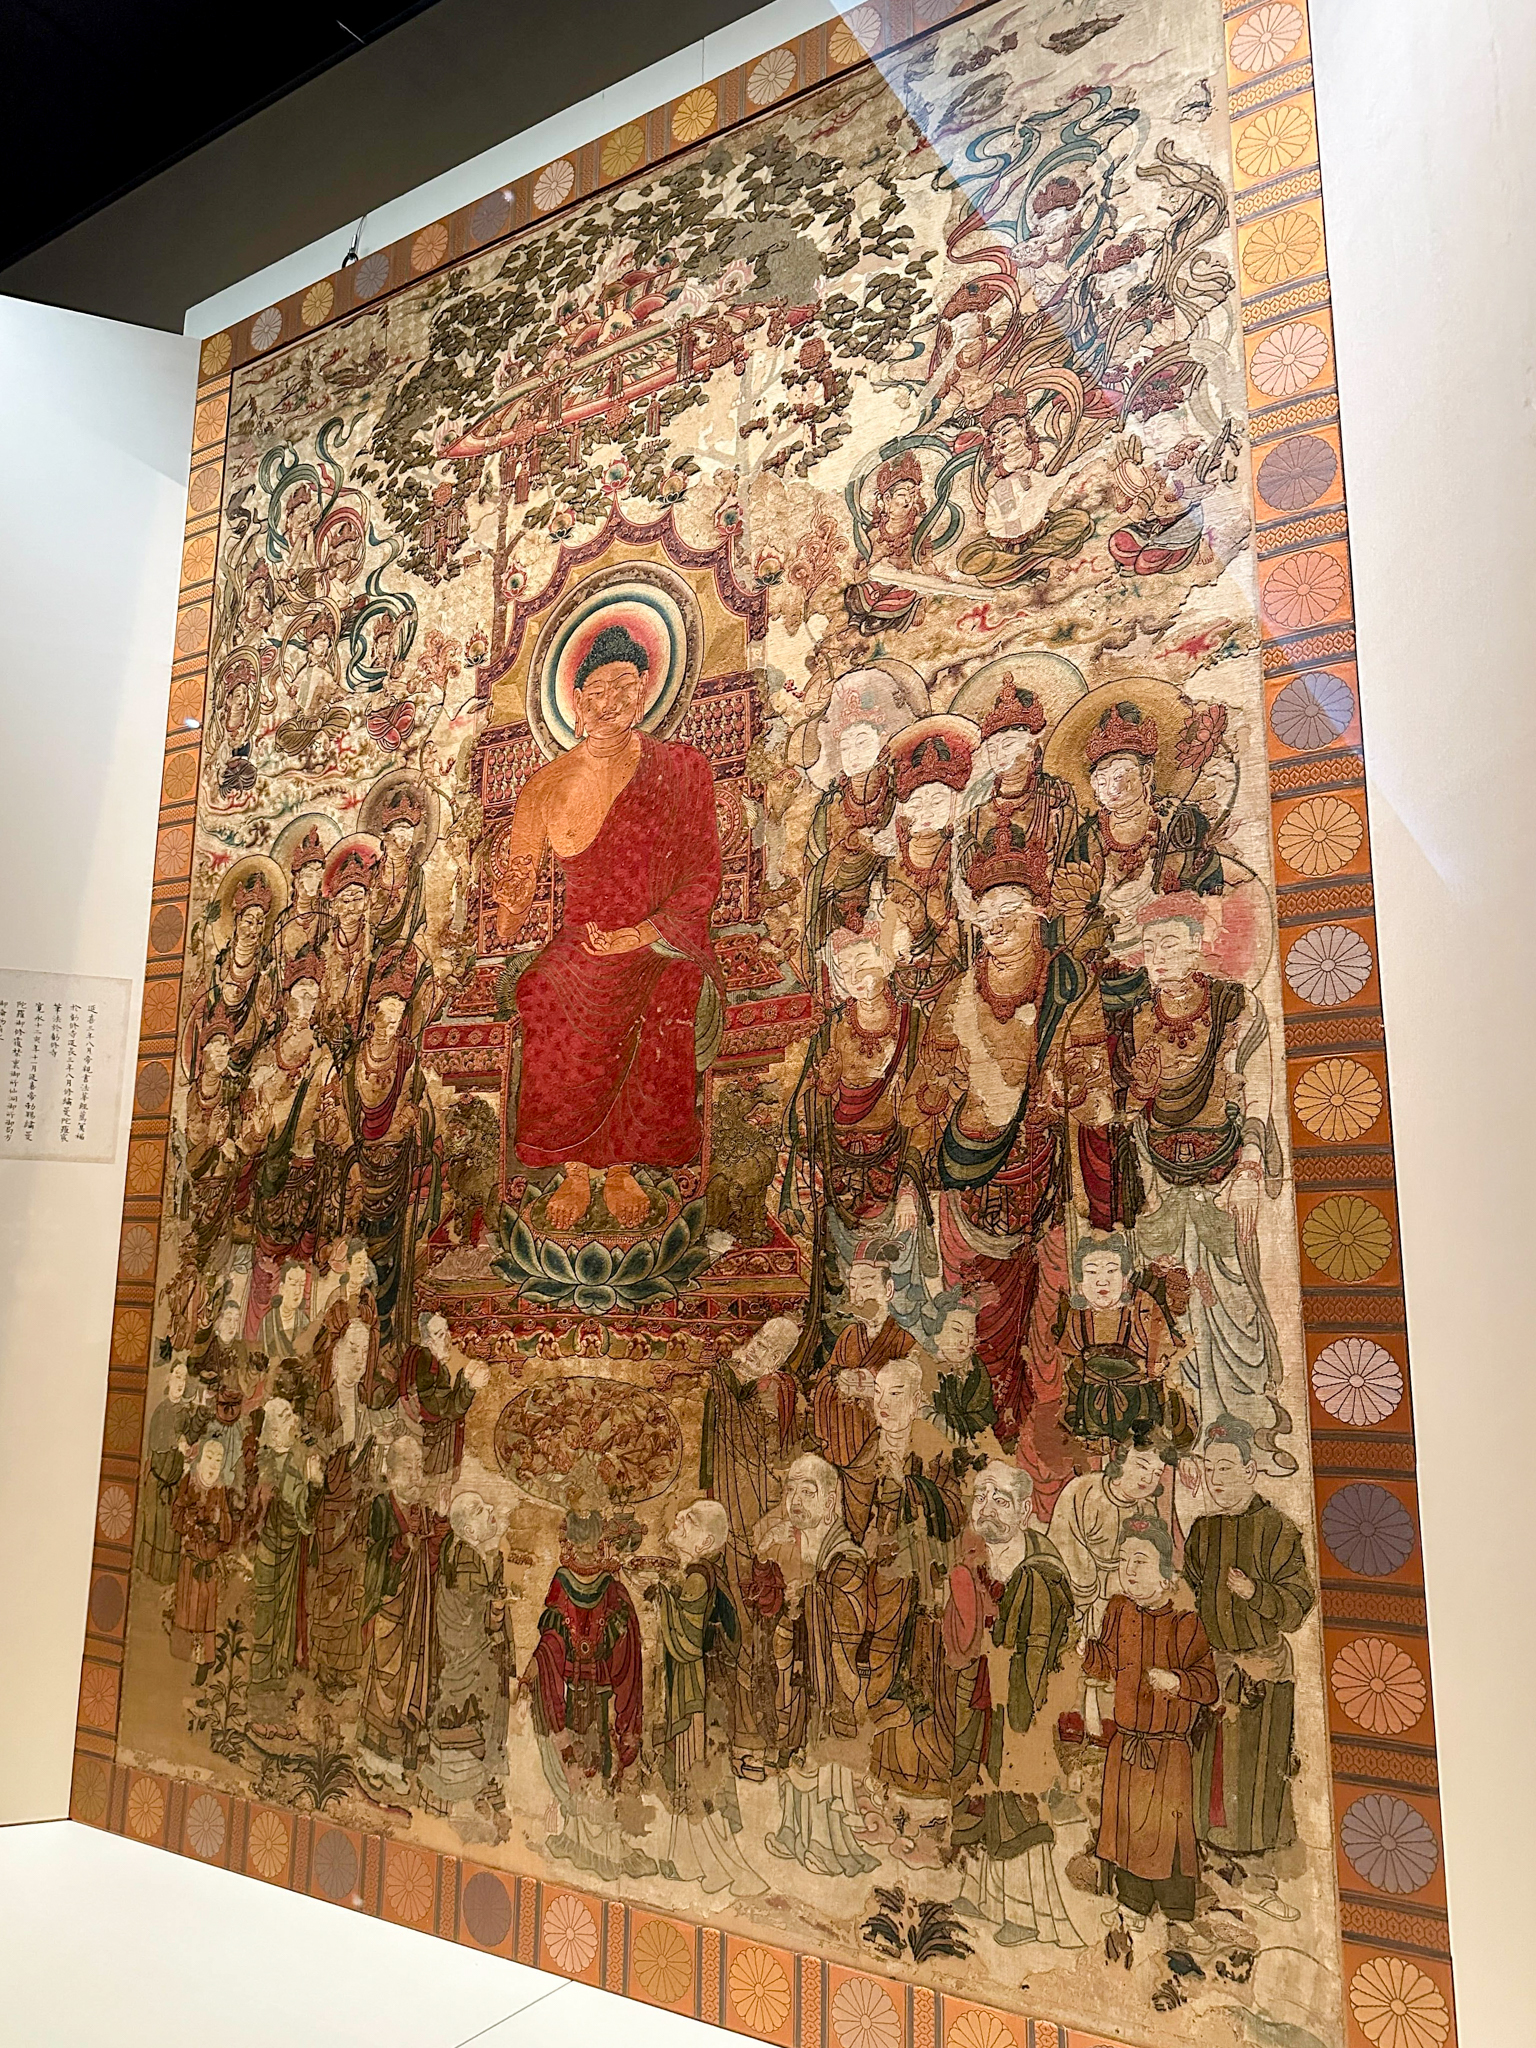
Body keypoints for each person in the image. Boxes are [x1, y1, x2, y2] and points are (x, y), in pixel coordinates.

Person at [492, 623, 723, 1232]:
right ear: (574, 701)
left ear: (646, 691)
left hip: (656, 938)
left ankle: (623, 1165)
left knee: (672, 987)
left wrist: (642, 933)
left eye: (625, 686)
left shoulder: (681, 768)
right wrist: (508, 896)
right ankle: (573, 1165)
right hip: (582, 940)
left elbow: (704, 875)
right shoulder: (543, 787)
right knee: (541, 990)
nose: (610, 701)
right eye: (596, 690)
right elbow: (512, 912)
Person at [1115, 901, 1283, 1450]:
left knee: (1232, 1302)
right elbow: (1126, 1110)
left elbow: (1258, 1084)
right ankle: (1182, 1429)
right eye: (1150, 948)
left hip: (1224, 1174)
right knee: (1171, 1302)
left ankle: (1248, 1429)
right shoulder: (1136, 1017)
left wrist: (1251, 1163)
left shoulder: (1235, 1006)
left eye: (1171, 944)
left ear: (1198, 944)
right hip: (1159, 1181)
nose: (1159, 958)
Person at [942, 1462, 1082, 1949]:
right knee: (978, 1787)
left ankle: (1025, 1912)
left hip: (1024, 1704)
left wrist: (1020, 1714)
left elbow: (1040, 1655)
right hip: (985, 1699)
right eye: (981, 1496)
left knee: (1016, 1800)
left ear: (1025, 1512)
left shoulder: (1039, 1574)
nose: (987, 1508)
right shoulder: (976, 1560)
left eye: (1001, 1500)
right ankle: (980, 1894)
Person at [1182, 1417, 1315, 1895]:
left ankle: (1257, 1866)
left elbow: (1298, 1603)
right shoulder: (1202, 1531)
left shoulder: (1278, 1529)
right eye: (1209, 1469)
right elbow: (1193, 1589)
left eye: (1225, 1468)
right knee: (1209, 1766)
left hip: (1263, 1668)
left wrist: (1255, 1592)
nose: (1215, 1479)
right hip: (1216, 1668)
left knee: (1256, 1770)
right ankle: (1211, 1854)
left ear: (1250, 1470)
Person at [1082, 1518, 1218, 1932]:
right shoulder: (1119, 1610)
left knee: (1166, 1830)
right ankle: (1133, 1905)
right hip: (1126, 1744)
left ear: (1164, 1572)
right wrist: (1085, 1649)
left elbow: (1208, 1685)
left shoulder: (1185, 1621)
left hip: (1166, 1750)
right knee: (1125, 1827)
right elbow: (1105, 1663)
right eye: (1123, 1560)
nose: (1129, 1570)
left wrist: (1177, 1682)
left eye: (1140, 1561)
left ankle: (1177, 1912)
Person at [753, 1455, 876, 1879]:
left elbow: (851, 1619)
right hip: (804, 1673)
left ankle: (827, 1844)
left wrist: (810, 1596)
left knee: (823, 1763)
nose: (797, 1501)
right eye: (791, 1490)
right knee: (797, 1749)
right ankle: (793, 1831)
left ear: (830, 1502)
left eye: (809, 1492)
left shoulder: (847, 1557)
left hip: (830, 1679)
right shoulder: (796, 1548)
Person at [521, 1510, 651, 1881]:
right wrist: (537, 1664)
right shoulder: (570, 1582)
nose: (587, 1549)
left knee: (598, 1760)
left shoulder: (607, 1585)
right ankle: (578, 1837)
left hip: (596, 1690)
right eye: (582, 1542)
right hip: (579, 1687)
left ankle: (606, 1844)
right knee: (579, 1759)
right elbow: (553, 1637)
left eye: (590, 1542)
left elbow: (623, 1634)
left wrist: (608, 1633)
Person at [651, 1499, 766, 1896]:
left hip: (695, 1692)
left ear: (704, 1543)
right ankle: (687, 1860)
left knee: (693, 1768)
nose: (678, 1519)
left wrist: (663, 1598)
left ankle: (717, 1867)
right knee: (692, 1770)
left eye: (689, 1520)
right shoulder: (703, 1575)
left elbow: (686, 1643)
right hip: (704, 1690)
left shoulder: (699, 1578)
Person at [861, 1355, 962, 1805]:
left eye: (896, 1394)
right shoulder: (864, 1453)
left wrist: (912, 1489)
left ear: (918, 1401)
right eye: (877, 1394)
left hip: (921, 1588)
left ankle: (924, 1781)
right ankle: (880, 1769)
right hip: (876, 1585)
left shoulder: (936, 1450)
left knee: (921, 1675)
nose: (884, 1404)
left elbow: (955, 1512)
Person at [419, 1492, 513, 1840]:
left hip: (460, 1657)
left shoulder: (460, 1550)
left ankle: (471, 1788)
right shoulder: (467, 1560)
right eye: (480, 1510)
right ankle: (467, 1793)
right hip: (466, 1659)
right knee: (469, 1718)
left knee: (461, 1718)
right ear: (469, 1530)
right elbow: (476, 1613)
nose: (489, 1510)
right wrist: (497, 1607)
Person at [356, 1436, 448, 1785]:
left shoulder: (422, 1511)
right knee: (387, 1681)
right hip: (391, 1612)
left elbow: (432, 1563)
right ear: (391, 1472)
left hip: (417, 1614)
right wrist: (398, 1546)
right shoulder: (381, 1507)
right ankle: (373, 1757)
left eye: (419, 1467)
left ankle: (399, 1761)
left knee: (413, 1678)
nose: (415, 1475)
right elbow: (370, 1557)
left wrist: (438, 1534)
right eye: (407, 1467)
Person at [810, 1252, 913, 1543]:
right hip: (842, 1444)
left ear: (888, 1289)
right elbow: (823, 1385)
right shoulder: (848, 1337)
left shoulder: (904, 1341)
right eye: (852, 1286)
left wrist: (875, 1387)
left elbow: (914, 1400)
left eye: (866, 1285)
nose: (856, 1295)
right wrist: (840, 1382)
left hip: (880, 1450)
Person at [1060, 1231, 1188, 1449]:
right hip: (1091, 1406)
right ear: (1080, 1284)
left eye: (1111, 1270)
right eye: (1091, 1272)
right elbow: (1071, 1365)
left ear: (1125, 1279)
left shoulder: (1144, 1306)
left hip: (1138, 1404)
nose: (1102, 1281)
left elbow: (1160, 1362)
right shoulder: (1077, 1315)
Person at [954, 392, 1093, 587]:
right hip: (1006, 543)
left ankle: (1024, 566)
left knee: (1079, 520)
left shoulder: (1046, 452)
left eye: (1005, 431)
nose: (1000, 441)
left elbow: (1056, 487)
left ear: (1021, 426)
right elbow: (999, 521)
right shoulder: (995, 478)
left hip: (1041, 531)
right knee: (968, 559)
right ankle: (1043, 562)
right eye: (994, 438)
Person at [307, 1317, 377, 1696]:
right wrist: (342, 1452)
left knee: (352, 1589)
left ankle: (344, 1666)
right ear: (336, 1354)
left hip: (354, 1511)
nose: (358, 1359)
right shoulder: (326, 1402)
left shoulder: (362, 1403)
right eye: (352, 1350)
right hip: (331, 1511)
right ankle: (324, 1665)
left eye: (364, 1352)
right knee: (331, 1588)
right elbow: (319, 1454)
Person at [247, 1398, 324, 1716]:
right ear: (273, 1431)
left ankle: (277, 1678)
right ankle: (260, 1681)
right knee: (267, 1613)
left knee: (286, 1615)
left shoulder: (298, 1458)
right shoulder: (266, 1464)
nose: (293, 1420)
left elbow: (305, 1514)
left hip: (290, 1552)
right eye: (284, 1416)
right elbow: (264, 1512)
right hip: (270, 1552)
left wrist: (315, 1484)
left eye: (291, 1414)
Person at [398, 1311, 490, 1504]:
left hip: (430, 1433)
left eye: (447, 1332)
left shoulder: (424, 1358)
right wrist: (470, 1386)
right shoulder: (426, 1364)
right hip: (432, 1441)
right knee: (436, 1496)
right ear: (428, 1342)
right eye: (440, 1335)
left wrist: (465, 1377)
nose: (448, 1339)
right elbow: (445, 1410)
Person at [169, 1437, 236, 1682]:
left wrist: (218, 1530)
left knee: (206, 1612)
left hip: (209, 1563)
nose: (213, 1465)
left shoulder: (219, 1489)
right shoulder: (189, 1481)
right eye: (209, 1458)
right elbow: (176, 1515)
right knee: (188, 1608)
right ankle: (181, 1655)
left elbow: (226, 1525)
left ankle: (205, 1661)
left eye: (218, 1460)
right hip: (191, 1560)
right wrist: (192, 1525)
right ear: (200, 1459)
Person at [137, 1359, 196, 1584]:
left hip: (174, 1483)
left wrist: (187, 1453)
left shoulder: (186, 1413)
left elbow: (190, 1443)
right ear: (169, 1379)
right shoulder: (161, 1410)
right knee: (153, 1528)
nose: (180, 1382)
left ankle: (167, 1578)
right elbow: (155, 1443)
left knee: (171, 1532)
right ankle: (147, 1573)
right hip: (157, 1480)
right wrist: (175, 1441)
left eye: (184, 1378)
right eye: (177, 1376)